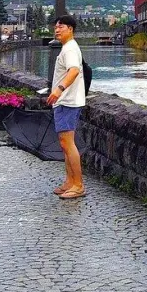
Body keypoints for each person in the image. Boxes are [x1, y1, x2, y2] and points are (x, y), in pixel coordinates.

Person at [47, 14, 86, 199]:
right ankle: (70, 181)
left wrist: (59, 89)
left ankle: (78, 184)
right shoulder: (67, 48)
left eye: (60, 27)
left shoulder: (70, 49)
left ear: (70, 29)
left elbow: (74, 70)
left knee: (67, 143)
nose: (56, 30)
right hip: (66, 100)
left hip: (68, 101)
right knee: (64, 143)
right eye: (55, 27)